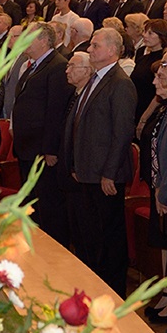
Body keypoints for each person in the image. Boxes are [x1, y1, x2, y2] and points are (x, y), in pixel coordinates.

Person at [60, 27, 136, 295]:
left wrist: (109, 173)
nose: (89, 49)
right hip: (87, 172)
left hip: (105, 176)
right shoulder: (96, 79)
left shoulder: (120, 83)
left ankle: (113, 294)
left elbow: (122, 132)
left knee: (109, 239)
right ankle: (94, 287)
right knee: (91, 237)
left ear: (112, 51)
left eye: (95, 45)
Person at [9, 23, 71, 241]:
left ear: (44, 40)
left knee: (48, 206)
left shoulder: (56, 66)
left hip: (42, 150)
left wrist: (50, 149)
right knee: (32, 203)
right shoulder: (32, 65)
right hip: (27, 148)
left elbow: (55, 112)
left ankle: (52, 252)